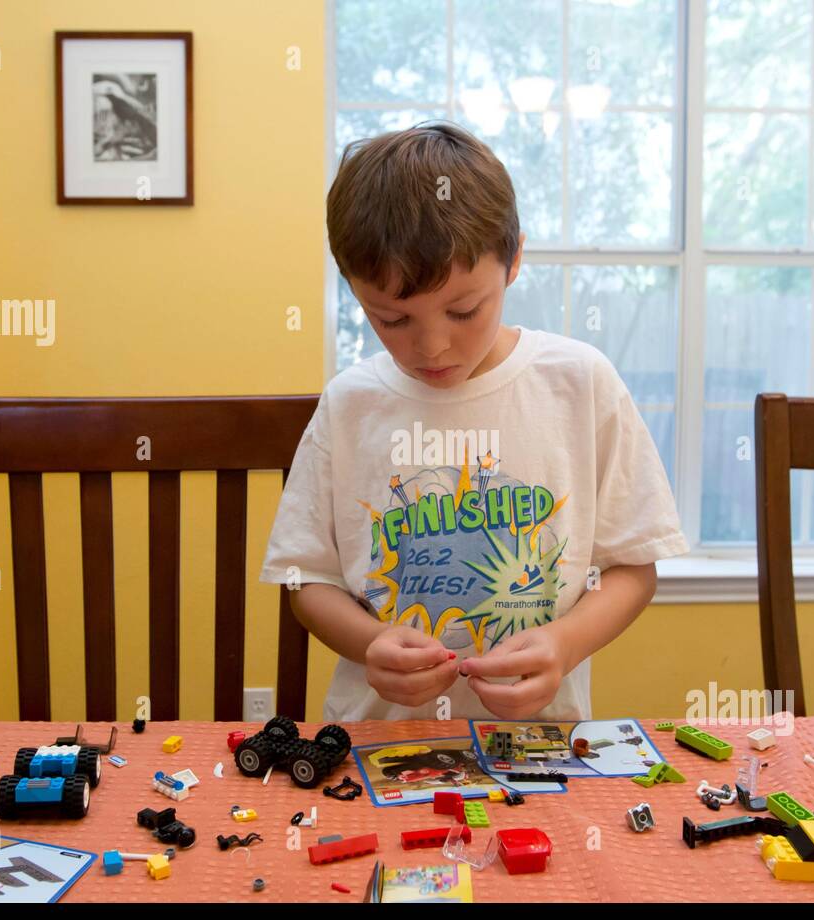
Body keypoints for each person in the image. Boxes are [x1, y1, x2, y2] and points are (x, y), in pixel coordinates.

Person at [260, 122, 687, 721]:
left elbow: (633, 569)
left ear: (514, 259)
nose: (432, 346)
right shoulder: (350, 404)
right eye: (390, 319)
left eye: (463, 310)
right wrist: (368, 644)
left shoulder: (579, 384)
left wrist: (564, 644)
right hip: (379, 744)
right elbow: (305, 578)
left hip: (540, 748)